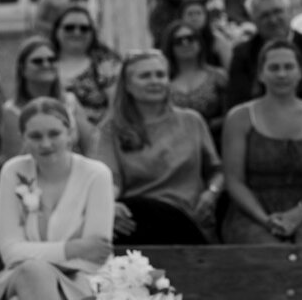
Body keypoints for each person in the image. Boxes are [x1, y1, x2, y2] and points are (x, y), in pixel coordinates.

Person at [0, 98, 114, 300]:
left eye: (54, 134)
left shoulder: (97, 174)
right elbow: (10, 251)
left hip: (82, 282)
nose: (45, 144)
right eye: (35, 136)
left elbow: (96, 255)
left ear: (70, 133)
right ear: (23, 137)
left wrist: (36, 256)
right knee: (34, 272)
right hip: (22, 277)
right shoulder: (13, 171)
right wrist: (73, 248)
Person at [92, 50, 222, 245]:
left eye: (160, 75)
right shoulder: (111, 129)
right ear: (127, 85)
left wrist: (211, 193)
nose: (155, 81)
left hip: (188, 218)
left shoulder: (192, 121)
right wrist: (108, 205)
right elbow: (111, 179)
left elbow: (216, 171)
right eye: (145, 76)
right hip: (140, 220)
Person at [221, 40, 302, 244]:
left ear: (300, 72)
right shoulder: (239, 118)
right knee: (267, 252)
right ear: (260, 73)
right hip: (253, 212)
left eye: (289, 67)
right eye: (274, 68)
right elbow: (234, 180)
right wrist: (265, 219)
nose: (282, 74)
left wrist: (301, 211)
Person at [0, 36, 97, 160]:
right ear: (22, 69)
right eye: (37, 61)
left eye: (52, 59)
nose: (46, 64)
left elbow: (92, 146)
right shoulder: (11, 111)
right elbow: (14, 161)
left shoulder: (70, 101)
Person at [51, 5, 122, 127]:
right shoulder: (44, 61)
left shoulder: (105, 63)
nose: (77, 32)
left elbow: (118, 106)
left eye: (84, 28)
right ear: (57, 31)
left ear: (92, 33)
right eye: (69, 28)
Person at [161, 19, 228, 147]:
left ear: (199, 42)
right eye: (178, 41)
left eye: (190, 38)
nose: (185, 43)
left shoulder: (218, 77)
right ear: (170, 46)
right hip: (175, 147)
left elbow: (230, 115)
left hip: (217, 144)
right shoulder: (162, 82)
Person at [180, 0, 231, 69]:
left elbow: (230, 68)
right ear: (182, 17)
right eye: (190, 14)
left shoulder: (217, 40)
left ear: (205, 17)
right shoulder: (177, 40)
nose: (194, 18)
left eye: (198, 13)